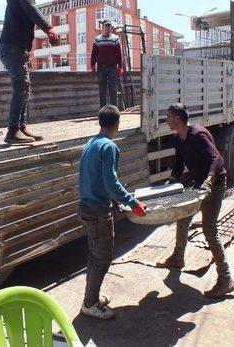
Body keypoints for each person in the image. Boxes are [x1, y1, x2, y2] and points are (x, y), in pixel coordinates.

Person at [156, 103, 234, 298]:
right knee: (183, 218)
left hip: (214, 185)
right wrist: (173, 179)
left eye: (169, 116)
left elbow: (217, 160)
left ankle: (226, 279)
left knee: (209, 230)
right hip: (199, 184)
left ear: (179, 119)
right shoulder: (178, 138)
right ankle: (178, 257)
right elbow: (179, 164)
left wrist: (208, 181)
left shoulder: (198, 135)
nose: (166, 120)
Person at [78, 105, 147, 319]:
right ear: (118, 124)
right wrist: (132, 202)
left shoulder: (91, 142)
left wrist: (113, 200)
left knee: (94, 256)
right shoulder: (109, 147)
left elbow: (93, 178)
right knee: (103, 259)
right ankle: (90, 304)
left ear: (100, 122)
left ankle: (90, 297)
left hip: (87, 207)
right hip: (98, 212)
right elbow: (111, 182)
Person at [0, 0, 60, 144]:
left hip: (17, 49)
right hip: (11, 48)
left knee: (25, 88)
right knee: (21, 86)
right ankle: (12, 131)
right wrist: (48, 28)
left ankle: (22, 128)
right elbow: (32, 9)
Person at [90, 20, 123, 108]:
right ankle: (103, 112)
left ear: (110, 28)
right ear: (102, 27)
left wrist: (120, 68)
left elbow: (119, 55)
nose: (107, 27)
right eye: (106, 26)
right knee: (102, 90)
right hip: (101, 68)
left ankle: (114, 112)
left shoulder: (115, 39)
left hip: (112, 68)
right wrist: (92, 66)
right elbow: (93, 54)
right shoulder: (97, 39)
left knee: (113, 90)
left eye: (109, 26)